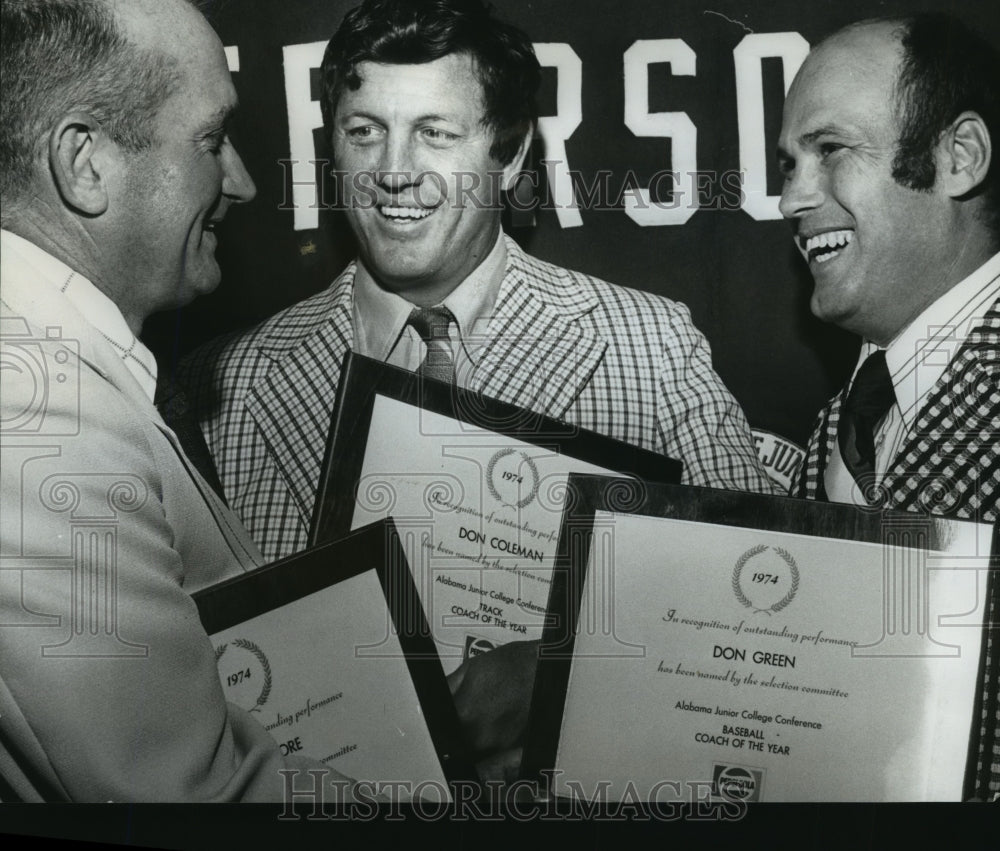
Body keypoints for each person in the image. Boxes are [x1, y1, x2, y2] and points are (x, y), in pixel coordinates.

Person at [182, 0, 775, 565]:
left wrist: (561, 661)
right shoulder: (225, 387)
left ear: (511, 154)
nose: (393, 172)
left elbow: (747, 601)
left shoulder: (652, 350)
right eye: (364, 131)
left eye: (435, 133)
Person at [0, 0, 353, 802]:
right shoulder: (37, 406)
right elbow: (194, 800)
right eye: (210, 140)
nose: (242, 182)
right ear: (85, 163)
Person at [779, 14, 998, 797]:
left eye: (831, 149)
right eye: (789, 163)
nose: (792, 198)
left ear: (957, 158)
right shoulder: (835, 427)